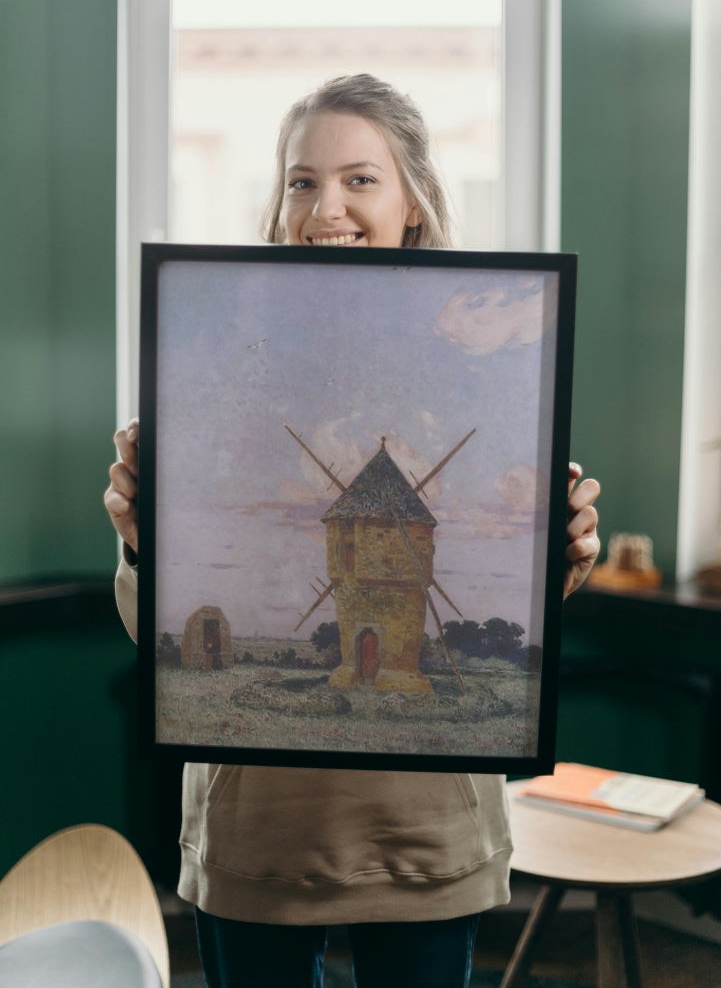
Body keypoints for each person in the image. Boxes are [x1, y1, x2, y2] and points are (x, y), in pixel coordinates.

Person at [105, 74, 601, 988]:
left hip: (423, 828)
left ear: (413, 199)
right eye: (301, 180)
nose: (324, 205)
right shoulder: (216, 364)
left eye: (359, 179)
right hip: (259, 829)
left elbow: (520, 601)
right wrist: (143, 544)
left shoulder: (490, 361)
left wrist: (556, 559)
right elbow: (165, 640)